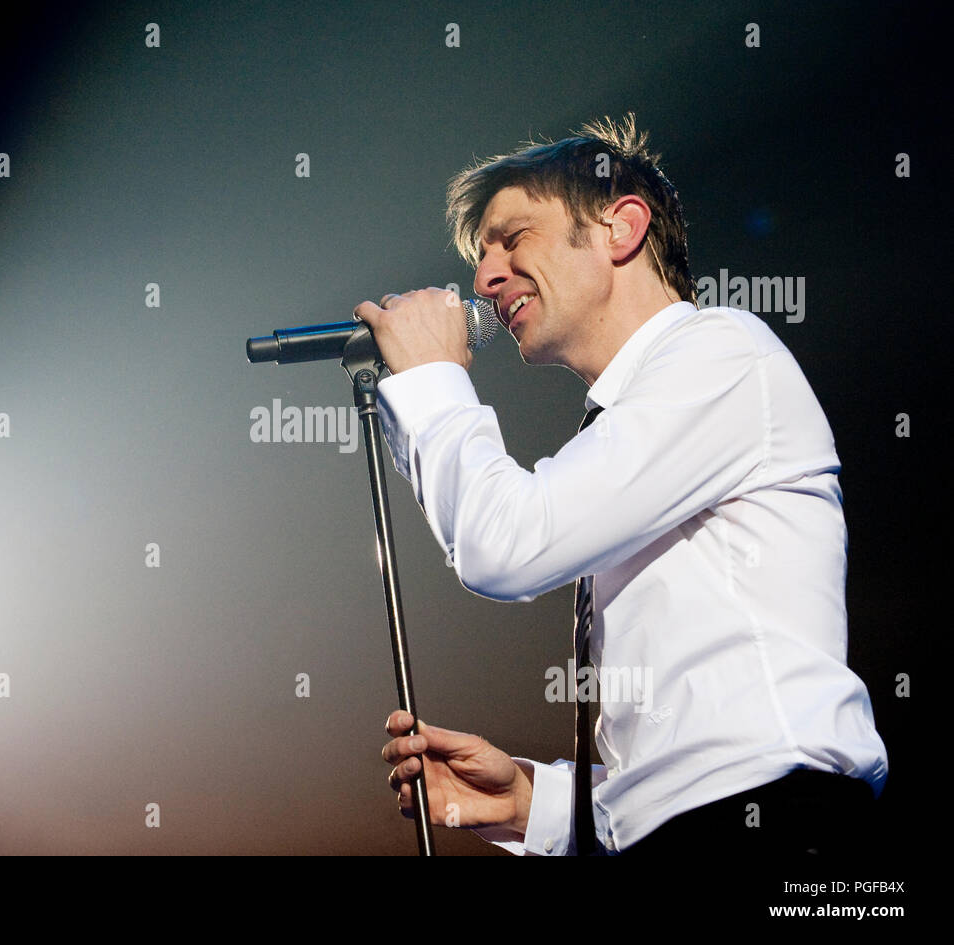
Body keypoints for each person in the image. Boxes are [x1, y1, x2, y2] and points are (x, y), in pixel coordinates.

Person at [353, 114, 887, 856]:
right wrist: (530, 800)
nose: (484, 277)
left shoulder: (723, 354)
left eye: (512, 238)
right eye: (482, 256)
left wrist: (435, 380)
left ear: (620, 227)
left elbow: (506, 545)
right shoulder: (634, 427)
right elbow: (690, 749)